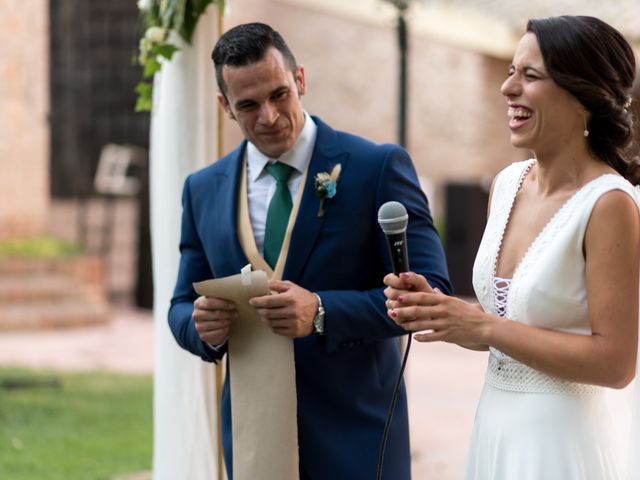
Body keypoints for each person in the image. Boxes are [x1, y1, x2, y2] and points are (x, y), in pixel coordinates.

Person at [168, 22, 451, 480]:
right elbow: (180, 306)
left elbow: (429, 292)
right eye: (248, 105)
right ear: (224, 106)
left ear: (300, 79)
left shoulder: (377, 167)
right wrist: (202, 327)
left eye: (279, 94)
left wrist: (322, 312)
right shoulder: (202, 189)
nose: (269, 116)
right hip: (253, 439)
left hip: (357, 435)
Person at [384, 15, 640, 479]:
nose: (508, 89)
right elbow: (507, 331)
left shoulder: (610, 204)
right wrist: (443, 313)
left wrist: (482, 327)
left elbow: (615, 363)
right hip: (494, 427)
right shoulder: (505, 185)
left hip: (561, 443)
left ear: (582, 97)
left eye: (531, 75)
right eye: (510, 71)